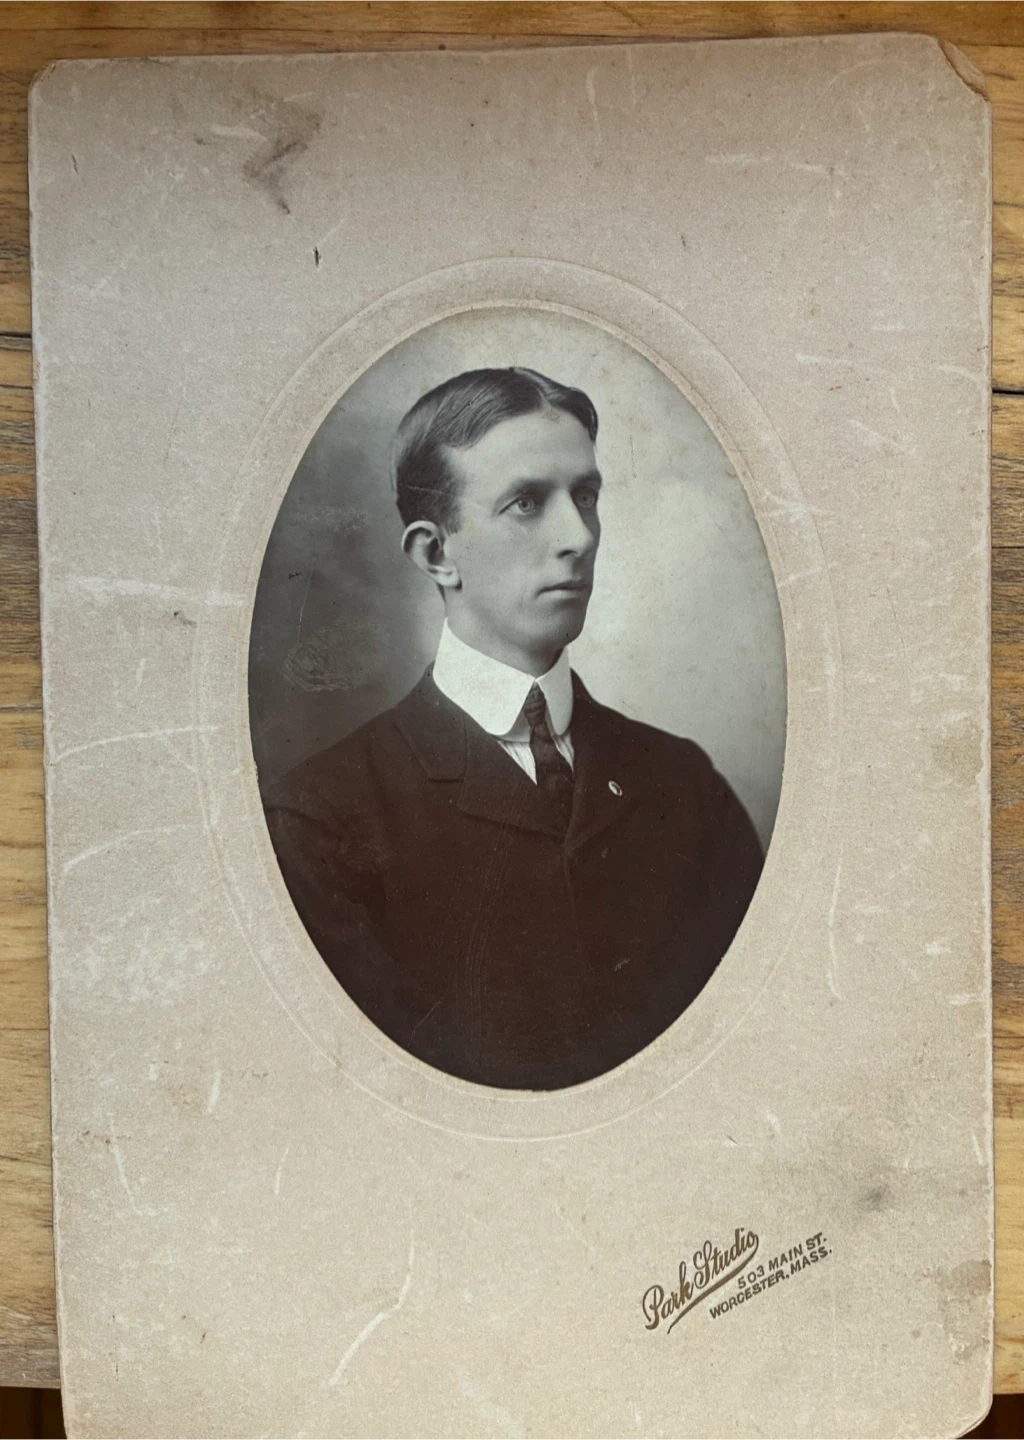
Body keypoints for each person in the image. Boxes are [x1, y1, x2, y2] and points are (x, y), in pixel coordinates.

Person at [263, 367, 764, 1090]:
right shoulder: (319, 820)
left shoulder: (685, 785)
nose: (579, 536)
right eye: (527, 503)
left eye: (585, 496)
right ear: (436, 553)